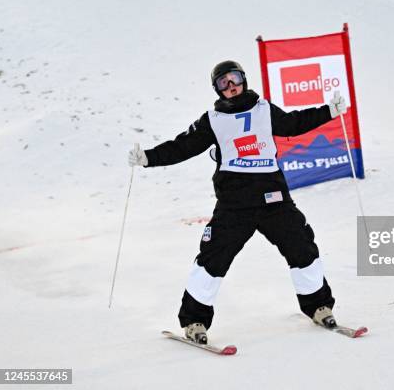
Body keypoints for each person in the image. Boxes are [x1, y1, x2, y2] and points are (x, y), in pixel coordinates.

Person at [128, 60, 348, 344]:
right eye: (223, 83)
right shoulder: (213, 119)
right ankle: (195, 321)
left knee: (302, 247)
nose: (230, 86)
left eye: (234, 79)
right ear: (217, 89)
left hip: (274, 199)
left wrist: (329, 111)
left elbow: (295, 123)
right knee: (212, 259)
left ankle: (319, 306)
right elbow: (184, 146)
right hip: (234, 203)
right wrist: (148, 158)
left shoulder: (264, 110)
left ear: (243, 79)